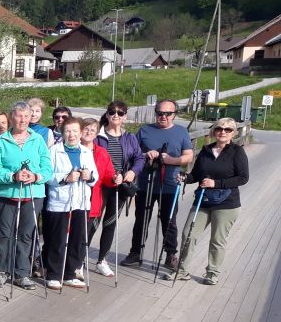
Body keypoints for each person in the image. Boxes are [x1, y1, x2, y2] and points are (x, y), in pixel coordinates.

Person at [167, 118, 249, 285]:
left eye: (227, 130)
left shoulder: (237, 151)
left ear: (233, 133)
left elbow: (243, 178)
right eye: (219, 129)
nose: (222, 132)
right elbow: (196, 175)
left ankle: (212, 273)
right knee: (188, 234)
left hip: (227, 203)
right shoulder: (205, 150)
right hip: (203, 200)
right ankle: (182, 270)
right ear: (214, 131)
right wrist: (185, 177)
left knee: (217, 239)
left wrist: (216, 183)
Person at [0, 101, 53, 289]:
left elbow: (48, 168)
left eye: (26, 116)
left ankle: (22, 273)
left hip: (32, 194)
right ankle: (2, 270)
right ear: (12, 117)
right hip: (5, 194)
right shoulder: (1, 140)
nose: (22, 119)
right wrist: (11, 176)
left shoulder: (38, 140)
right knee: (3, 234)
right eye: (18, 115)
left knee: (26, 235)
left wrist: (36, 176)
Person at [122, 99, 193, 269]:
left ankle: (170, 255)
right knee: (141, 220)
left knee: (169, 221)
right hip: (145, 184)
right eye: (160, 113)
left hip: (169, 185)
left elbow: (189, 156)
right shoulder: (145, 130)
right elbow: (133, 152)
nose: (163, 116)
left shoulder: (181, 132)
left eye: (168, 113)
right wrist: (146, 154)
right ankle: (135, 253)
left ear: (174, 114)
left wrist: (172, 160)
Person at [43, 117, 98, 289]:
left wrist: (89, 176)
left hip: (80, 202)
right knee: (57, 240)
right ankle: (53, 274)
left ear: (81, 133)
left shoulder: (86, 152)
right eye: (68, 131)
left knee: (77, 239)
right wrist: (65, 178)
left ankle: (70, 273)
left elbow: (95, 178)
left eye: (75, 131)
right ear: (62, 132)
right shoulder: (53, 151)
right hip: (60, 202)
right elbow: (47, 176)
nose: (71, 134)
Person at [93, 100, 144, 277]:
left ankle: (102, 260)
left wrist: (132, 172)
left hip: (119, 186)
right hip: (99, 185)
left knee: (110, 223)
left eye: (120, 113)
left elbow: (139, 158)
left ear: (125, 116)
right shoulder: (97, 136)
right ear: (107, 115)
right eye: (112, 112)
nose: (116, 115)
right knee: (92, 223)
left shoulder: (130, 137)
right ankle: (77, 259)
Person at [81, 118, 118, 273]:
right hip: (73, 198)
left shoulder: (102, 153)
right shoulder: (71, 148)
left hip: (94, 198)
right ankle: (73, 262)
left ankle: (81, 262)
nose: (89, 132)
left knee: (87, 231)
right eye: (86, 129)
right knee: (74, 232)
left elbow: (108, 176)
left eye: (93, 130)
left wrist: (115, 179)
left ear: (97, 134)